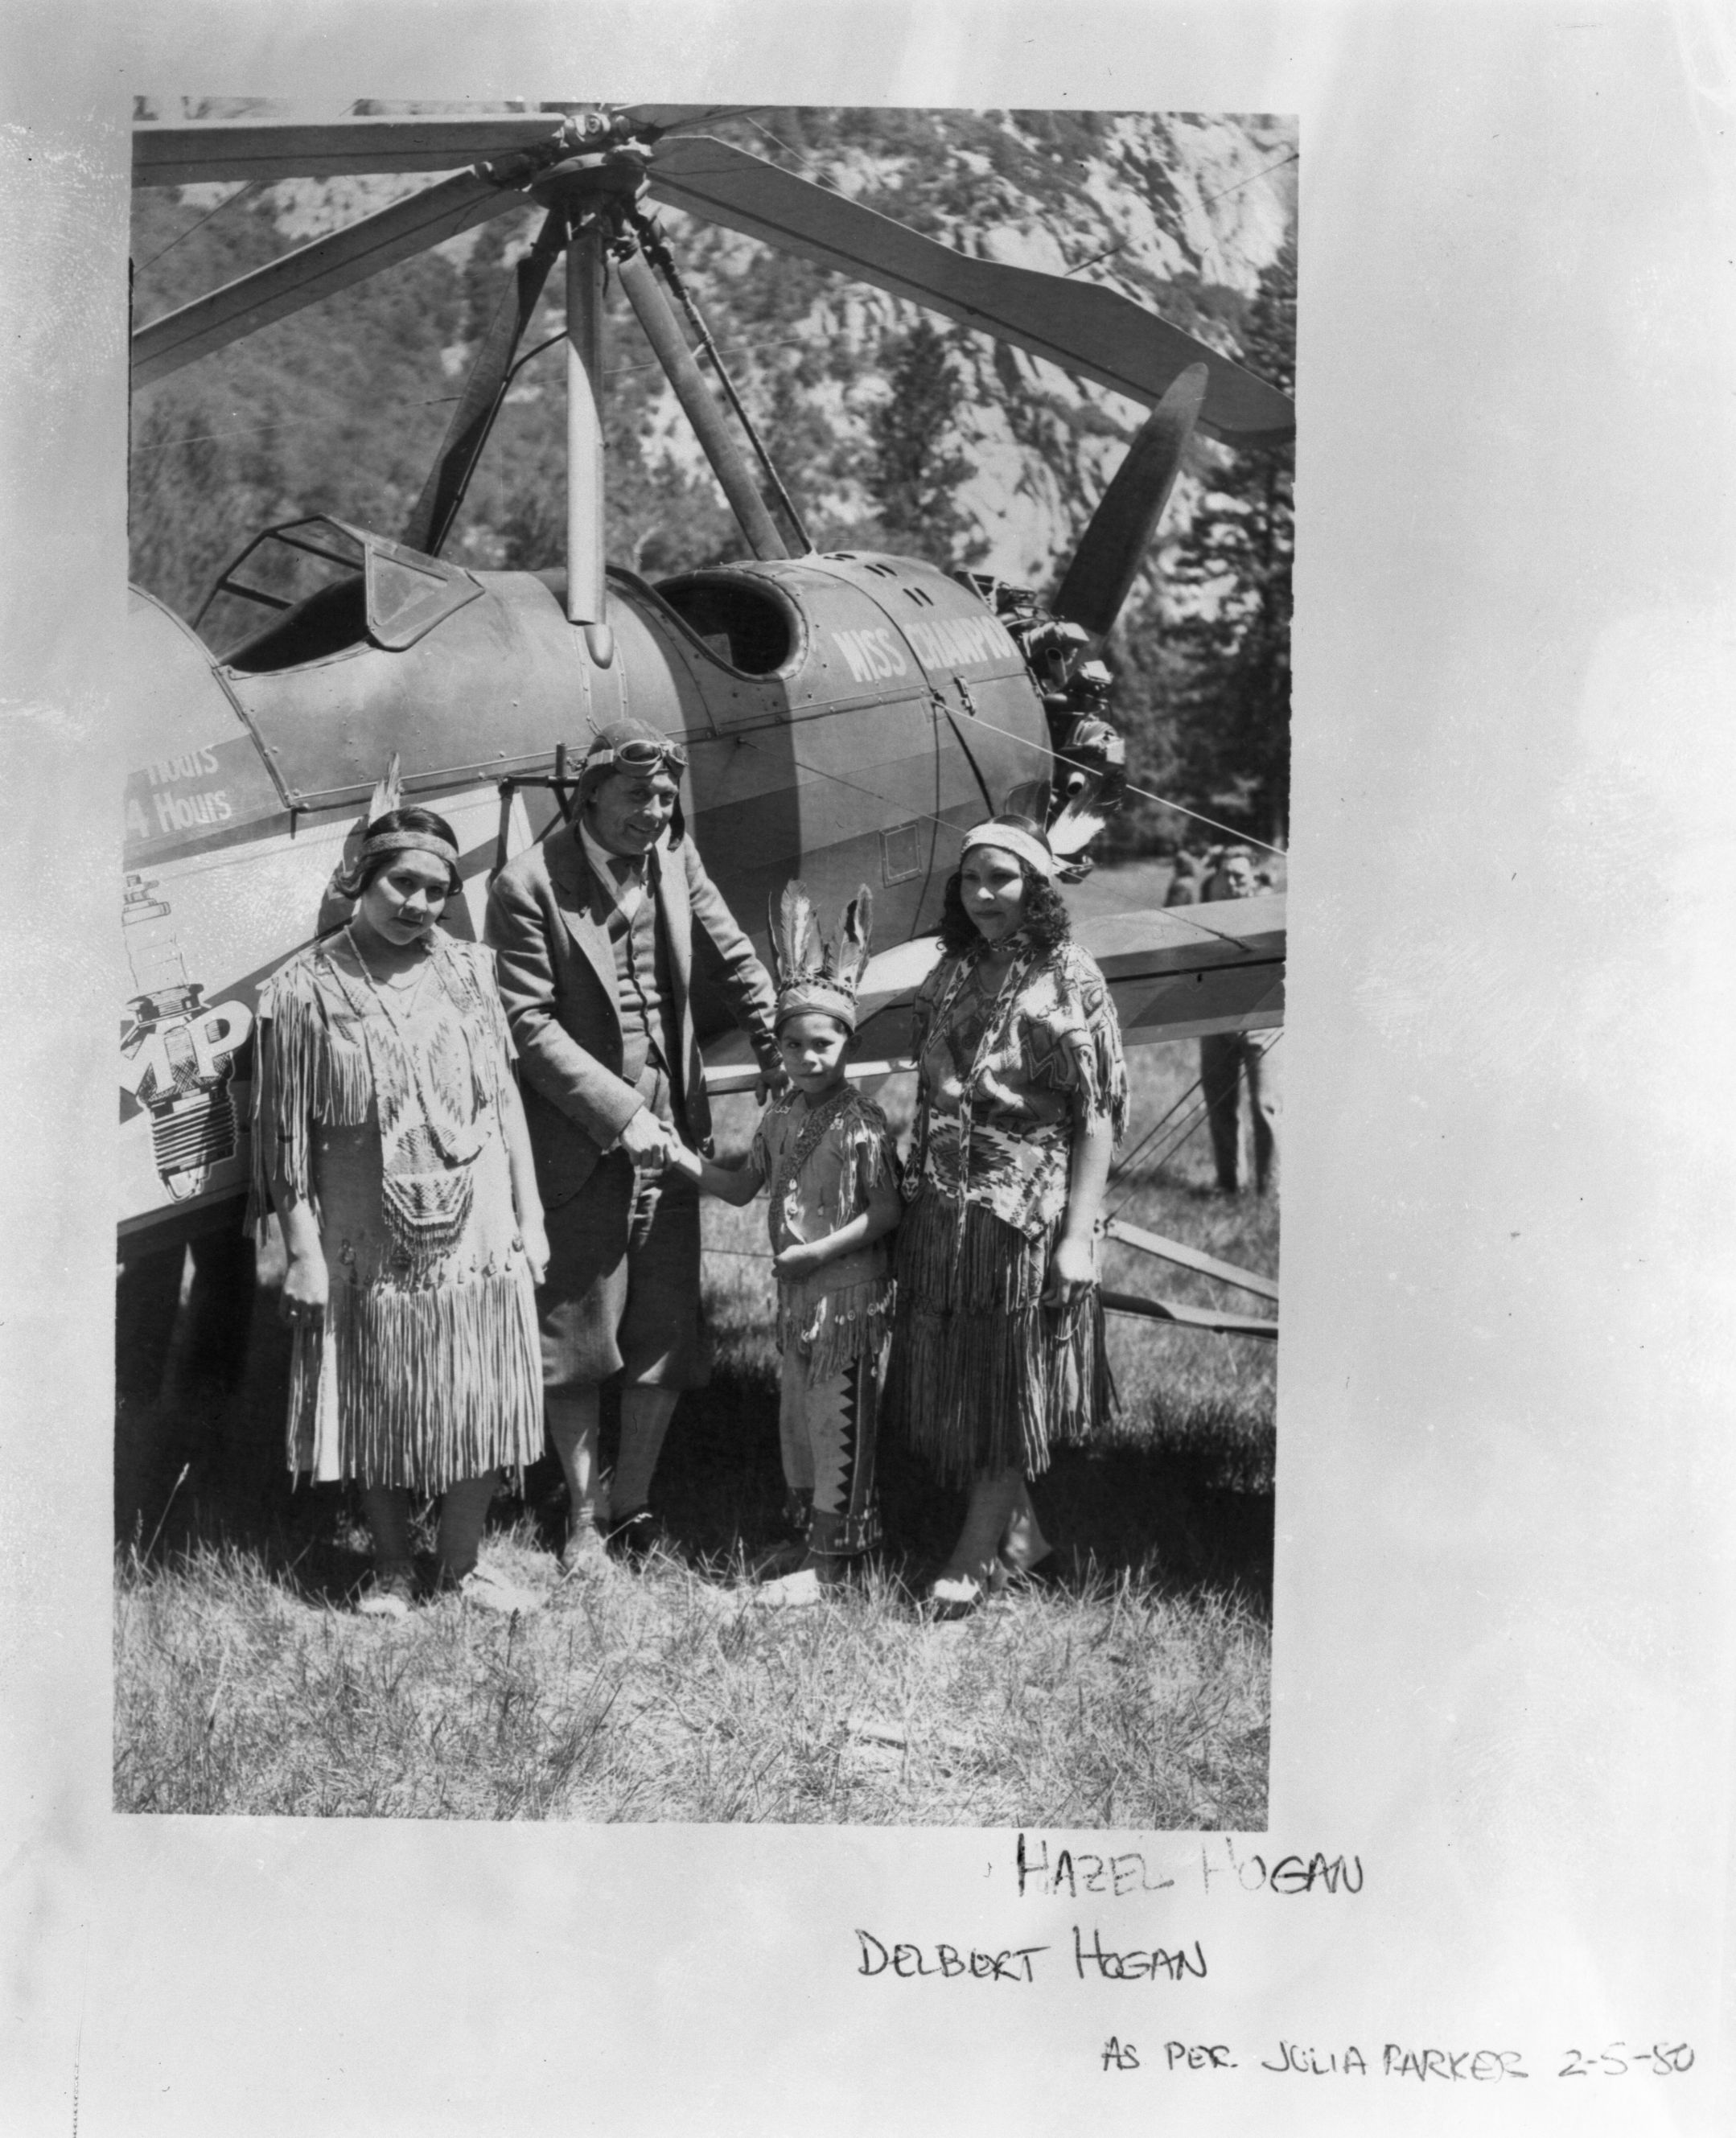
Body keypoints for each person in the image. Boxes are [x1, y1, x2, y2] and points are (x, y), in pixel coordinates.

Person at [485, 721, 781, 1579]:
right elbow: (527, 1024)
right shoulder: (528, 884)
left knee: (664, 1329)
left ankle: (633, 1503)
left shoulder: (675, 859)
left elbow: (736, 959)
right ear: (589, 796)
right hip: (579, 1138)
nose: (654, 812)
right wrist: (619, 1114)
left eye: (665, 798)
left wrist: (778, 1052)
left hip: (675, 1130)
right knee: (576, 1334)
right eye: (637, 796)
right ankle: (582, 1521)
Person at [252, 806, 549, 1618]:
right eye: (401, 883)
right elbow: (284, 1140)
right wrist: (303, 1254)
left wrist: (531, 1217)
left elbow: (505, 1104)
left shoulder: (471, 971)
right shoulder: (303, 988)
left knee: (480, 1390)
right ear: (361, 879)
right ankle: (389, 1566)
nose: (417, 903)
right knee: (377, 1392)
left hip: (478, 1226)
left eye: (436, 890)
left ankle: (461, 1563)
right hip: (366, 1236)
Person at [885, 812, 1127, 1617]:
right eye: (971, 879)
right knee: (962, 1378)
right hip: (943, 1206)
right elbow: (927, 1090)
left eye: (1003, 879)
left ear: (1036, 886)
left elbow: (1097, 1114)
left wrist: (1077, 1239)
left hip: (1024, 1210)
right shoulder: (950, 970)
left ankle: (970, 1559)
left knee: (1001, 1382)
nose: (984, 895)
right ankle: (1023, 1544)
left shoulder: (1070, 977)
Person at [670, 884, 902, 1606]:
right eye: (792, 1044)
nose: (806, 1057)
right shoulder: (778, 1118)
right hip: (798, 1301)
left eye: (823, 1044)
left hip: (846, 1300)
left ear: (850, 1045)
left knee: (839, 1423)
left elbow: (887, 1211)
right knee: (798, 1422)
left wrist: (818, 1254)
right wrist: (677, 1158)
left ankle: (835, 1566)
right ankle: (808, 1541)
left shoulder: (862, 1122)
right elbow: (744, 1187)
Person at [1197, 844, 1278, 1195]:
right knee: (1220, 1104)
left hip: (1264, 1022)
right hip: (1217, 1020)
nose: (1231, 883)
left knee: (1266, 1105)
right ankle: (1229, 1185)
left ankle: (1269, 1192)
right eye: (1224, 876)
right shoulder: (1201, 915)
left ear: (1253, 879)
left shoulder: (1272, 911)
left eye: (1239, 877)